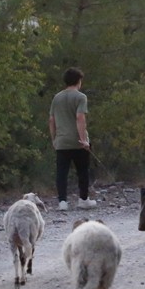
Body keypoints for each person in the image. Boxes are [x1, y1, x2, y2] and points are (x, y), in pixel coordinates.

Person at [48, 67, 97, 212]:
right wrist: (84, 140)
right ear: (79, 81)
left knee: (61, 172)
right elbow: (80, 117)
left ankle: (62, 201)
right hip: (77, 141)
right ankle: (83, 199)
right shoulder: (81, 97)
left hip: (61, 141)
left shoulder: (57, 97)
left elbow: (51, 120)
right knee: (82, 171)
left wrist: (54, 139)